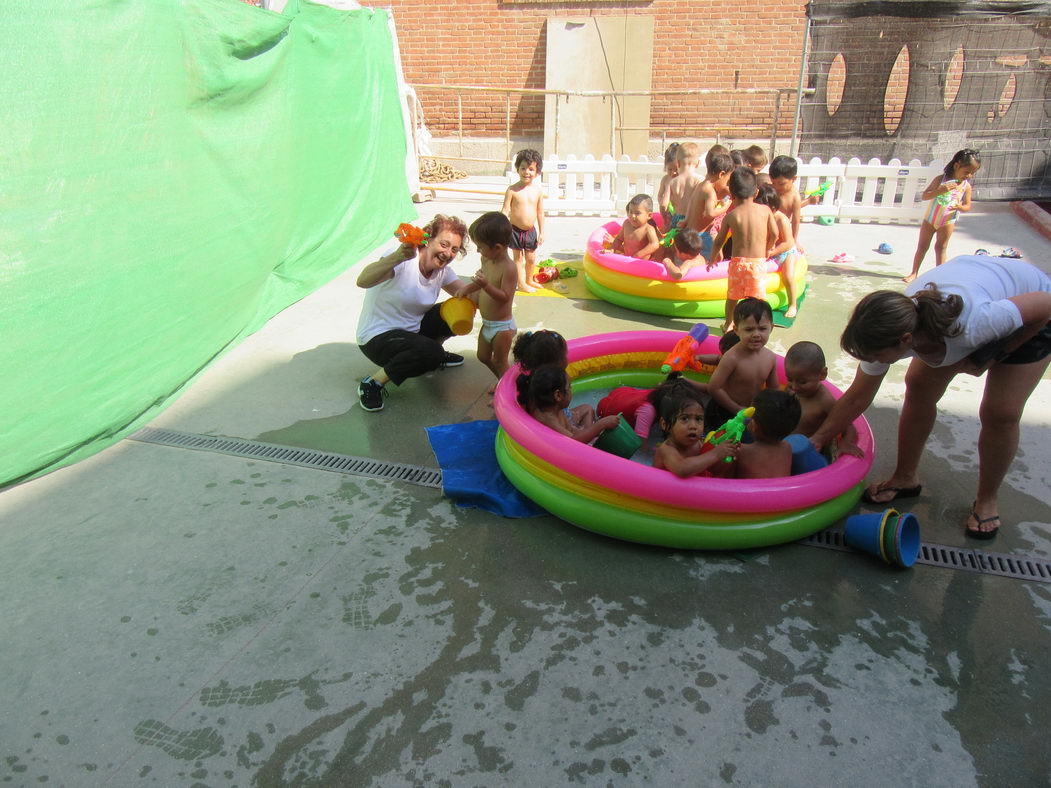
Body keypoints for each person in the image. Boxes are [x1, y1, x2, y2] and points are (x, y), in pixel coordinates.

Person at [809, 255, 1051, 539]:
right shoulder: (893, 327)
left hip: (1033, 311)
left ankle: (987, 500)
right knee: (919, 387)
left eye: (876, 356)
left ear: (906, 341)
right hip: (974, 295)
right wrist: (818, 439)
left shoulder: (974, 326)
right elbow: (857, 397)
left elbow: (1045, 306)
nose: (873, 361)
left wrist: (997, 353)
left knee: (1000, 414)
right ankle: (905, 477)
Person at [355, 214, 473, 412]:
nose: (448, 253)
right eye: (444, 244)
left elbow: (468, 296)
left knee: (458, 307)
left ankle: (429, 353)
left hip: (411, 332)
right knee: (431, 353)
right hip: (377, 337)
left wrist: (493, 285)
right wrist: (397, 257)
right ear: (427, 240)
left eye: (454, 249)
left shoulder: (442, 270)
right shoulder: (404, 258)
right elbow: (363, 280)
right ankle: (372, 383)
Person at [709, 168, 778, 333]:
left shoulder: (732, 215)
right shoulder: (765, 211)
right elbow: (775, 233)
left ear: (732, 195)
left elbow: (719, 240)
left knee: (732, 297)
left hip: (738, 264)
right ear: (756, 192)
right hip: (758, 264)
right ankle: (763, 325)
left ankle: (728, 324)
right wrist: (769, 248)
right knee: (759, 299)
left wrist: (713, 257)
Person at [903, 149, 981, 284]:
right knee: (922, 246)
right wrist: (941, 190)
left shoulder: (966, 187)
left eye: (972, 173)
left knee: (941, 248)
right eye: (967, 172)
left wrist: (960, 207)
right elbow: (925, 195)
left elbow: (968, 206)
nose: (969, 175)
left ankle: (940, 276)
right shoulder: (941, 180)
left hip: (947, 221)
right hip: (930, 219)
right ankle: (914, 273)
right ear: (957, 166)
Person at [460, 212, 519, 387]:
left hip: (502, 327)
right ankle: (502, 382)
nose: (478, 250)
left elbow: (504, 297)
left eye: (480, 246)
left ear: (498, 248)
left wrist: (485, 285)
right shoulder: (486, 259)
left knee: (501, 361)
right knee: (483, 357)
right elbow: (480, 282)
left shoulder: (509, 268)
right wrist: (466, 289)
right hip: (487, 323)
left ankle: (512, 391)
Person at [704, 297, 779, 431]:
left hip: (750, 413)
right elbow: (714, 388)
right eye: (749, 330)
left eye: (762, 329)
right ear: (737, 330)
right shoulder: (732, 357)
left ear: (771, 328)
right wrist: (736, 409)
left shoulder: (770, 357)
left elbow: (773, 390)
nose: (756, 334)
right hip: (723, 411)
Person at [783, 341, 861, 456]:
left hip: (810, 452)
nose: (794, 386)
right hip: (785, 445)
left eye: (802, 382)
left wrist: (846, 442)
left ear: (822, 374)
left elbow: (848, 426)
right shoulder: (791, 390)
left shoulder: (824, 400)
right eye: (789, 379)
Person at [598, 373, 710, 446]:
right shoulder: (648, 411)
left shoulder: (662, 393)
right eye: (685, 417)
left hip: (624, 394)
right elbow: (640, 446)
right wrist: (652, 452)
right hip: (606, 410)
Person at [519, 364, 619, 442]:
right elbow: (572, 442)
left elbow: (571, 430)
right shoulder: (548, 419)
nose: (571, 390)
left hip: (572, 435)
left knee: (587, 408)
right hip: (566, 451)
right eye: (570, 387)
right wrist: (600, 425)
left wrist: (593, 432)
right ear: (558, 395)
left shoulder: (556, 408)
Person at [512, 329, 592, 428]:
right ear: (556, 361)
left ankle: (587, 435)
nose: (567, 358)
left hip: (562, 415)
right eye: (564, 355)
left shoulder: (534, 381)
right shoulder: (545, 391)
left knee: (587, 409)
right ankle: (588, 441)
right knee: (587, 415)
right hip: (556, 426)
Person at [653, 396, 739, 477]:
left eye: (698, 419)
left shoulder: (699, 444)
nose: (693, 426)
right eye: (684, 418)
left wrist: (726, 455)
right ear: (665, 424)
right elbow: (682, 469)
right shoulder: (666, 450)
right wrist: (716, 453)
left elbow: (714, 471)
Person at [502, 148, 545, 292]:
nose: (527, 172)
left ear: (537, 172)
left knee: (531, 258)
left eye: (531, 169)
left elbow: (540, 213)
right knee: (518, 259)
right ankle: (520, 283)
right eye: (523, 168)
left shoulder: (538, 191)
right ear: (517, 169)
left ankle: (529, 279)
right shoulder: (512, 190)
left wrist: (542, 232)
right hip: (514, 230)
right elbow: (505, 210)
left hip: (530, 231)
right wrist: (500, 224)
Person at [755, 183, 801, 319]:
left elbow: (788, 242)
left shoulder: (781, 219)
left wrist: (772, 252)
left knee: (788, 276)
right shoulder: (760, 218)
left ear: (774, 208)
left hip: (786, 252)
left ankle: (793, 304)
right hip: (770, 251)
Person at [734, 389, 801, 478]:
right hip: (782, 491)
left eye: (750, 412)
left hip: (752, 491)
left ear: (754, 425)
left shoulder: (741, 451)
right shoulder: (787, 448)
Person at [682, 152, 733, 262]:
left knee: (692, 261)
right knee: (716, 259)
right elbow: (710, 213)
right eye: (727, 180)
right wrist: (726, 206)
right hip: (702, 236)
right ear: (721, 174)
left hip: (691, 233)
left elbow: (691, 204)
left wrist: (686, 220)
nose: (726, 184)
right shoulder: (710, 191)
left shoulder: (701, 185)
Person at [769, 155, 818, 250]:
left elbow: (796, 220)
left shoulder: (794, 196)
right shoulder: (770, 189)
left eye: (781, 184)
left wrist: (794, 241)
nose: (777, 187)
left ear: (794, 179)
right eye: (773, 182)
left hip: (782, 232)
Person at [607, 195, 661, 259]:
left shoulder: (648, 229)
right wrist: (612, 249)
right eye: (631, 212)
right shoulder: (626, 224)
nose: (633, 216)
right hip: (627, 258)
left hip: (642, 263)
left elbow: (655, 244)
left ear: (649, 215)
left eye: (637, 213)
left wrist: (638, 255)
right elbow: (619, 239)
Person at [666, 142, 704, 229]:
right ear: (698, 163)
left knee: (676, 241)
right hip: (691, 219)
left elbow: (664, 204)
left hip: (677, 219)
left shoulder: (673, 182)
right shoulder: (699, 180)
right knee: (690, 242)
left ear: (678, 163)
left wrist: (665, 218)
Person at [656, 143, 680, 226]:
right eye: (670, 169)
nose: (673, 172)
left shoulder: (681, 180)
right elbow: (659, 195)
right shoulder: (665, 179)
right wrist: (661, 201)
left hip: (679, 210)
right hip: (667, 210)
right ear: (665, 166)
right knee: (667, 226)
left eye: (676, 169)